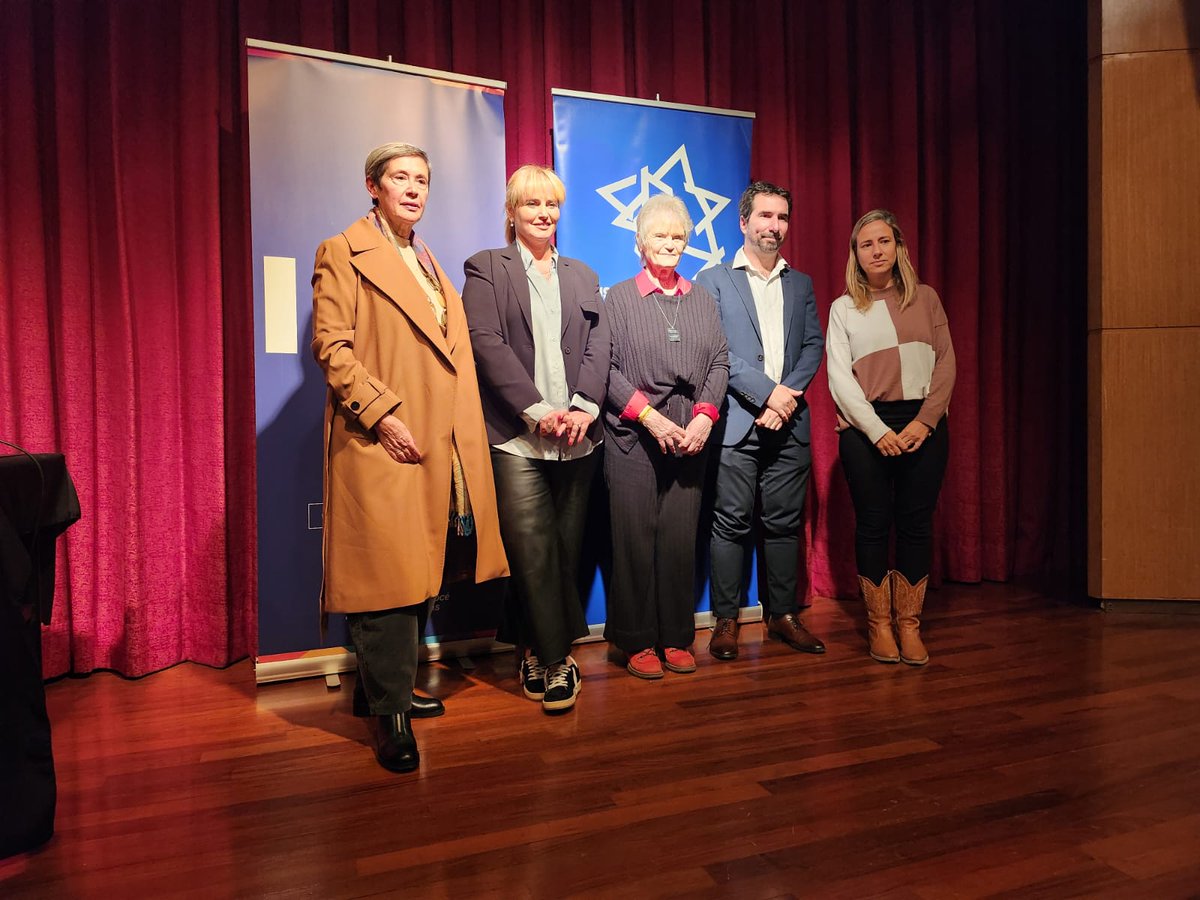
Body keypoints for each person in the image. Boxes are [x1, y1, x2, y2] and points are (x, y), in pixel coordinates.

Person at [311, 142, 508, 771]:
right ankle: (390, 718)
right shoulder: (342, 250)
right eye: (400, 178)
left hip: (435, 441)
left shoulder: (426, 259)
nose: (414, 188)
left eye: (422, 179)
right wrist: (380, 412)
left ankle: (382, 693)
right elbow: (331, 345)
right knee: (386, 584)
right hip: (381, 438)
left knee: (418, 569)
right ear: (373, 185)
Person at [461, 165, 609, 714]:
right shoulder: (485, 268)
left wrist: (583, 408)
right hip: (517, 439)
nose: (543, 214)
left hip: (577, 437)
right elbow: (486, 343)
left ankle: (528, 647)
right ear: (512, 211)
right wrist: (537, 410)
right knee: (531, 551)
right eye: (531, 204)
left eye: (551, 204)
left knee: (563, 555)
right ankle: (555, 661)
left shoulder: (582, 274)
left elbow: (600, 347)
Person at [697, 181, 827, 660]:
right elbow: (718, 352)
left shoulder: (802, 283)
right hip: (736, 422)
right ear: (744, 221)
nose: (774, 226)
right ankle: (726, 620)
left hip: (789, 424)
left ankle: (783, 616)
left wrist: (784, 399)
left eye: (782, 217)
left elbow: (813, 345)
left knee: (784, 525)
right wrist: (768, 395)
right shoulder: (712, 280)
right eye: (765, 216)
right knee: (730, 524)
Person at [603, 194, 729, 679]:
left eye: (678, 236)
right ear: (640, 242)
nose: (670, 244)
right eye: (660, 235)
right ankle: (634, 641)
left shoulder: (702, 299)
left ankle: (675, 637)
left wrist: (704, 418)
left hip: (690, 439)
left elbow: (719, 360)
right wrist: (650, 419)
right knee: (634, 540)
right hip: (634, 436)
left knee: (679, 540)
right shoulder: (618, 298)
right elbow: (605, 369)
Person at [826, 209, 956, 666]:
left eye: (884, 241)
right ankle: (879, 627)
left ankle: (909, 625)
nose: (876, 250)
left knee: (917, 525)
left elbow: (946, 364)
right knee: (873, 524)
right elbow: (840, 380)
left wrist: (925, 421)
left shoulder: (926, 299)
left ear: (898, 246)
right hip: (866, 430)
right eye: (866, 244)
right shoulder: (843, 309)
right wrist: (878, 430)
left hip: (924, 424)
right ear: (856, 256)